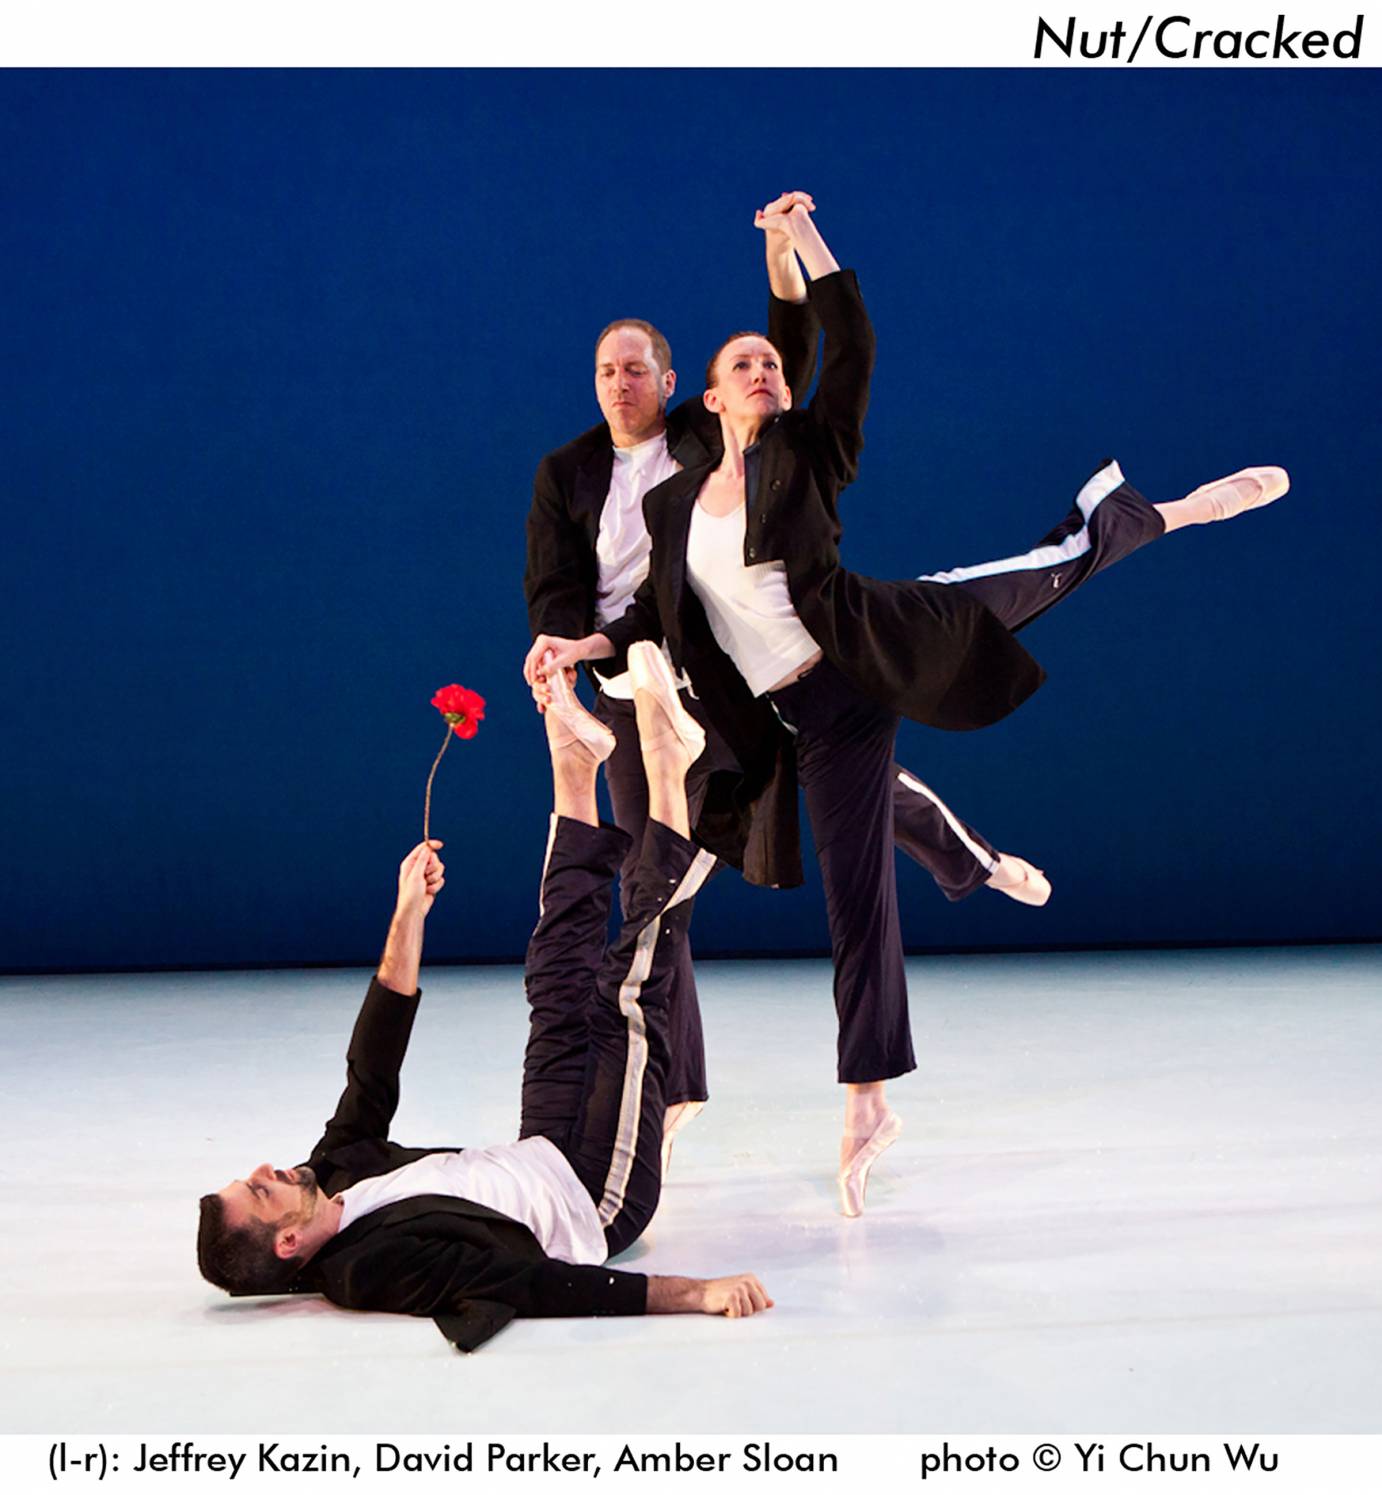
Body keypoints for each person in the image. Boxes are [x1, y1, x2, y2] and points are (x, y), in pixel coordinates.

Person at [523, 194, 1289, 1217]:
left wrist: (801, 244)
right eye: (740, 364)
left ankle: (866, 1100)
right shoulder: (674, 499)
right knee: (703, 865)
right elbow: (658, 616)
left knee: (1044, 573)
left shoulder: (809, 452)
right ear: (703, 400)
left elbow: (847, 340)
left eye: (769, 363)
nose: (761, 370)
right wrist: (587, 641)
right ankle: (942, 876)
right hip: (772, 713)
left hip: (866, 661)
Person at [524, 194, 1054, 1170]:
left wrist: (788, 249)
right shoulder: (573, 474)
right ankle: (672, 1087)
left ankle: (959, 869)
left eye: (637, 367)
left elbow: (799, 350)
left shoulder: (728, 442)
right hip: (669, 696)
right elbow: (580, 589)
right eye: (606, 370)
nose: (621, 383)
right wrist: (573, 648)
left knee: (859, 819)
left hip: (793, 678)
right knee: (659, 875)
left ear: (678, 385)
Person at [196, 642, 773, 1350]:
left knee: (554, 973)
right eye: (258, 1191)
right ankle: (665, 758)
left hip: (541, 1144)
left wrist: (407, 913)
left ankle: (573, 762)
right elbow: (523, 1282)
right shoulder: (369, 1267)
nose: (262, 1169)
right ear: (287, 1242)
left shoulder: (335, 1171)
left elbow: (371, 1069)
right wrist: (692, 1292)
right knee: (629, 992)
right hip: (594, 1197)